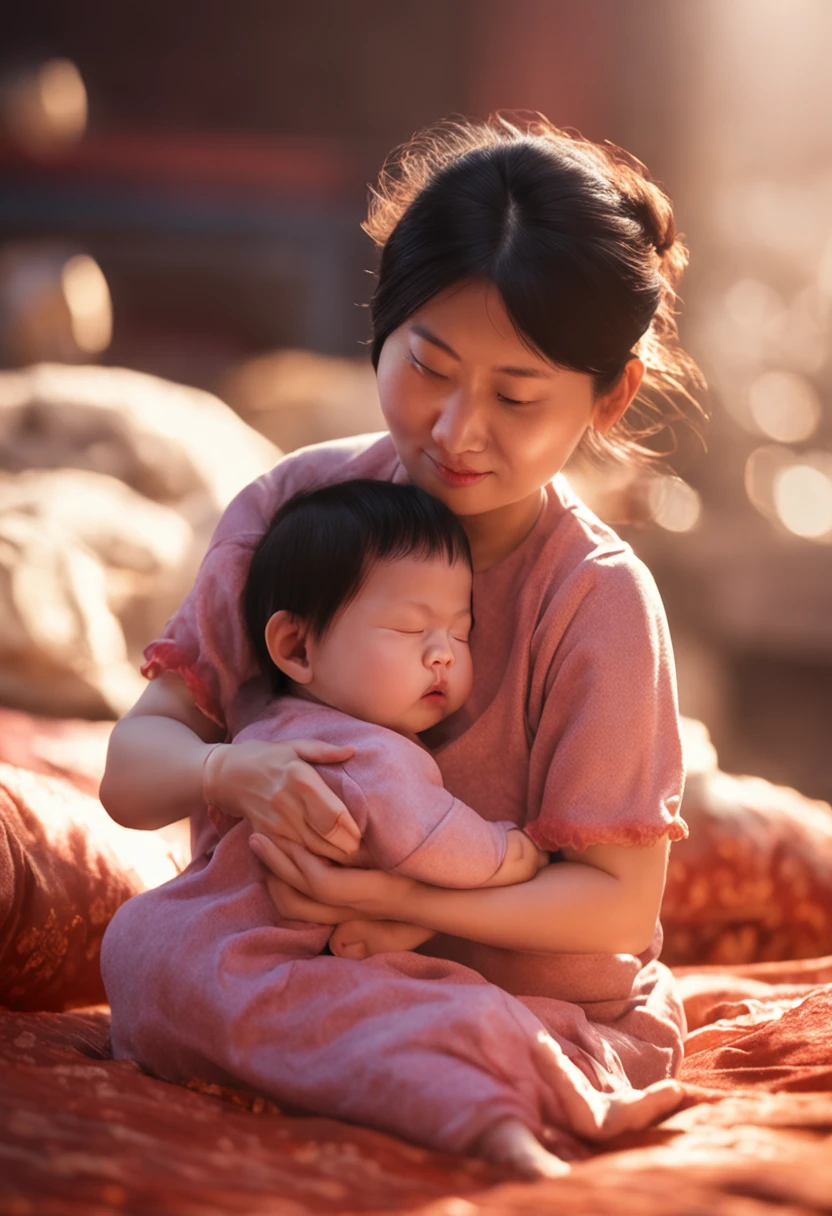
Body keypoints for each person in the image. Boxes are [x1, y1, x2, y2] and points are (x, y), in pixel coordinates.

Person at [99, 113, 701, 1178]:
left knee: (465, 1031)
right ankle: (382, 1058)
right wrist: (230, 771)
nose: (457, 430)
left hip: (523, 995)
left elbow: (616, 904)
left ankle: (470, 1101)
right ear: (383, 320)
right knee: (144, 953)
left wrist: (398, 903)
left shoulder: (595, 596)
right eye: (427, 365)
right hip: (301, 964)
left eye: (517, 397)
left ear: (607, 397)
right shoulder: (296, 507)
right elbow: (132, 775)